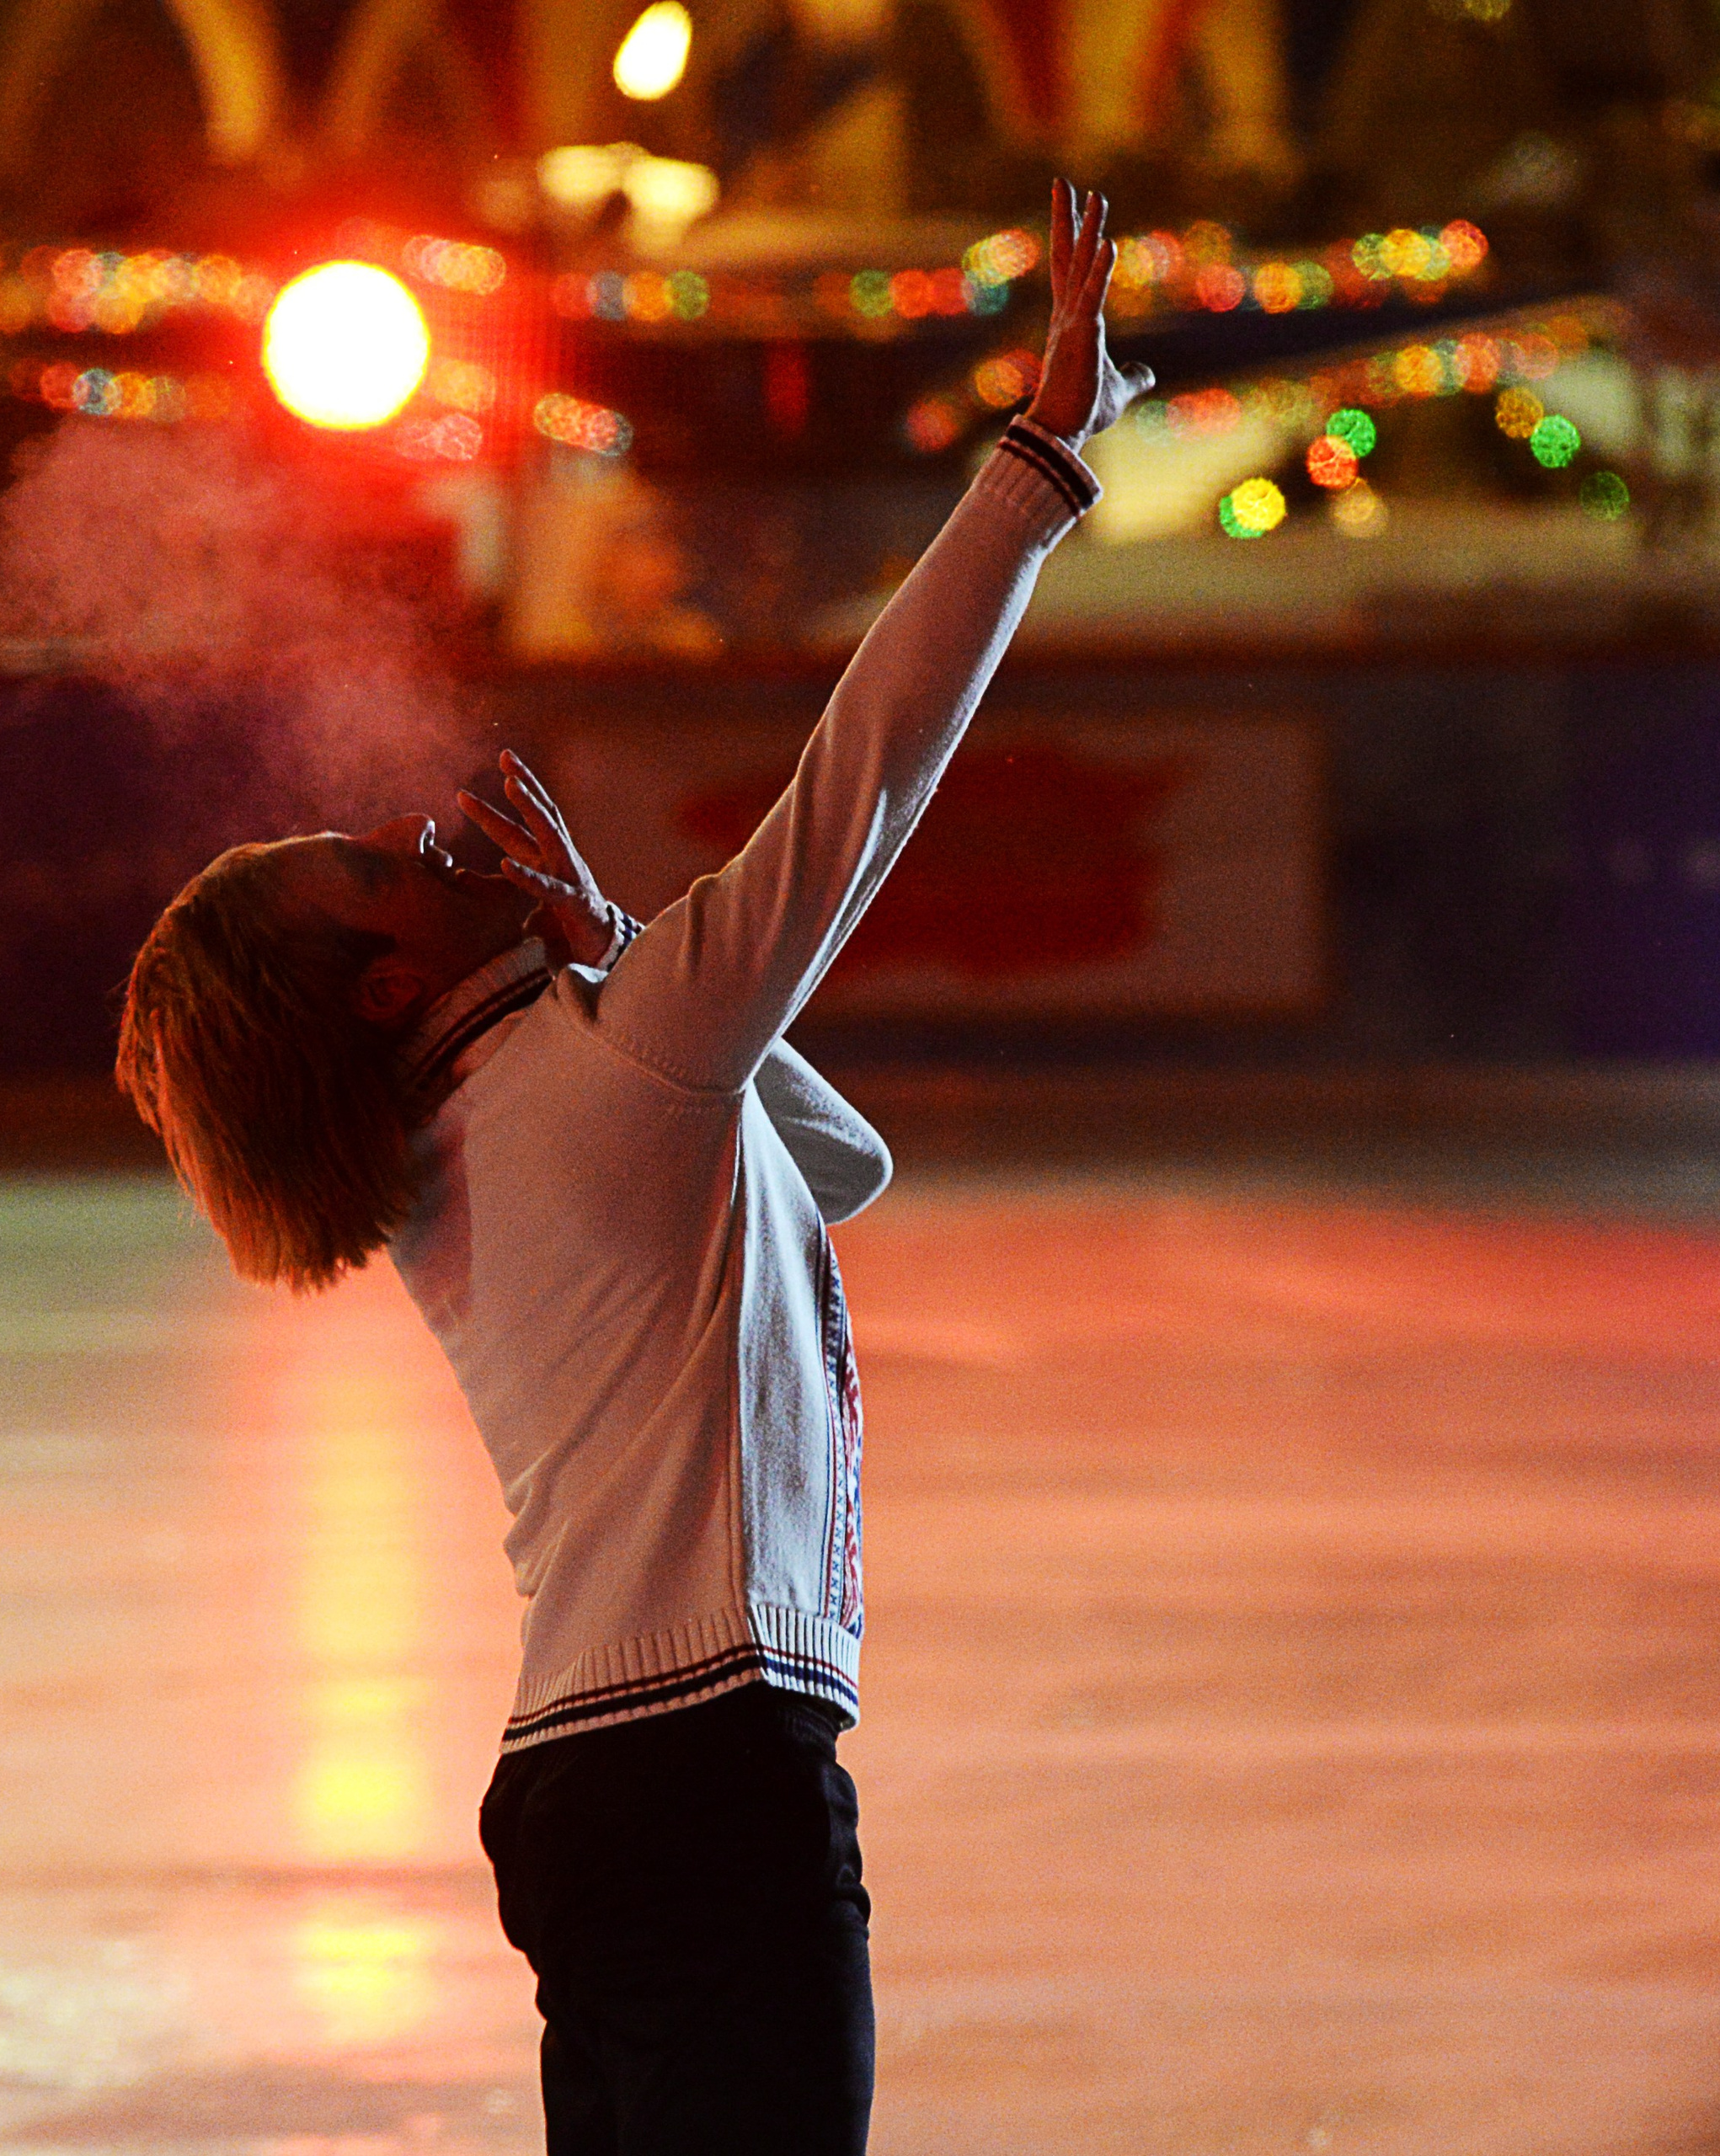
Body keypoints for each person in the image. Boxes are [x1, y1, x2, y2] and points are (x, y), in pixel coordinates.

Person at [115, 181, 1151, 2156]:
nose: (435, 840)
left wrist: (613, 956)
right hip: (699, 1774)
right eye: (390, 869)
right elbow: (869, 768)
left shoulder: (522, 1111)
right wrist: (1039, 457)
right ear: (383, 981)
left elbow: (831, 1166)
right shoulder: (606, 1074)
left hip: (601, 1789)